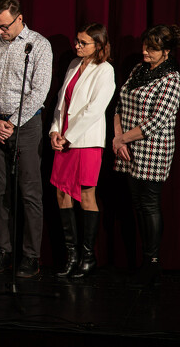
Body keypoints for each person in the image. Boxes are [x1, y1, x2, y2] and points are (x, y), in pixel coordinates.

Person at [0, 0, 52, 277]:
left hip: (27, 126)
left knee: (29, 193)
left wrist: (12, 123)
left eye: (4, 26)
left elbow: (40, 91)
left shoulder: (39, 45)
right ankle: (4, 249)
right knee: (0, 191)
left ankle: (31, 256)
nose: (0, 31)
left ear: (20, 18)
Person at [112, 24, 180, 288]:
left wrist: (121, 139)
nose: (145, 52)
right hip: (126, 147)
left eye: (152, 49)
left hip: (152, 149)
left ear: (166, 51)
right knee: (137, 204)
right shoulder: (139, 70)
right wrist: (118, 138)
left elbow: (158, 121)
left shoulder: (171, 79)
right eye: (145, 46)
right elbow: (119, 103)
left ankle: (152, 262)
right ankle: (143, 260)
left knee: (149, 204)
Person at [48, 23, 115, 278]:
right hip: (63, 138)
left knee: (87, 196)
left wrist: (68, 137)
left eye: (83, 42)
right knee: (61, 194)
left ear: (98, 45)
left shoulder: (105, 70)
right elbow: (61, 103)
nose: (76, 46)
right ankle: (71, 255)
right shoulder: (74, 65)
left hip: (85, 141)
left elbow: (95, 109)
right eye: (76, 41)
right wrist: (55, 131)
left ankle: (88, 256)